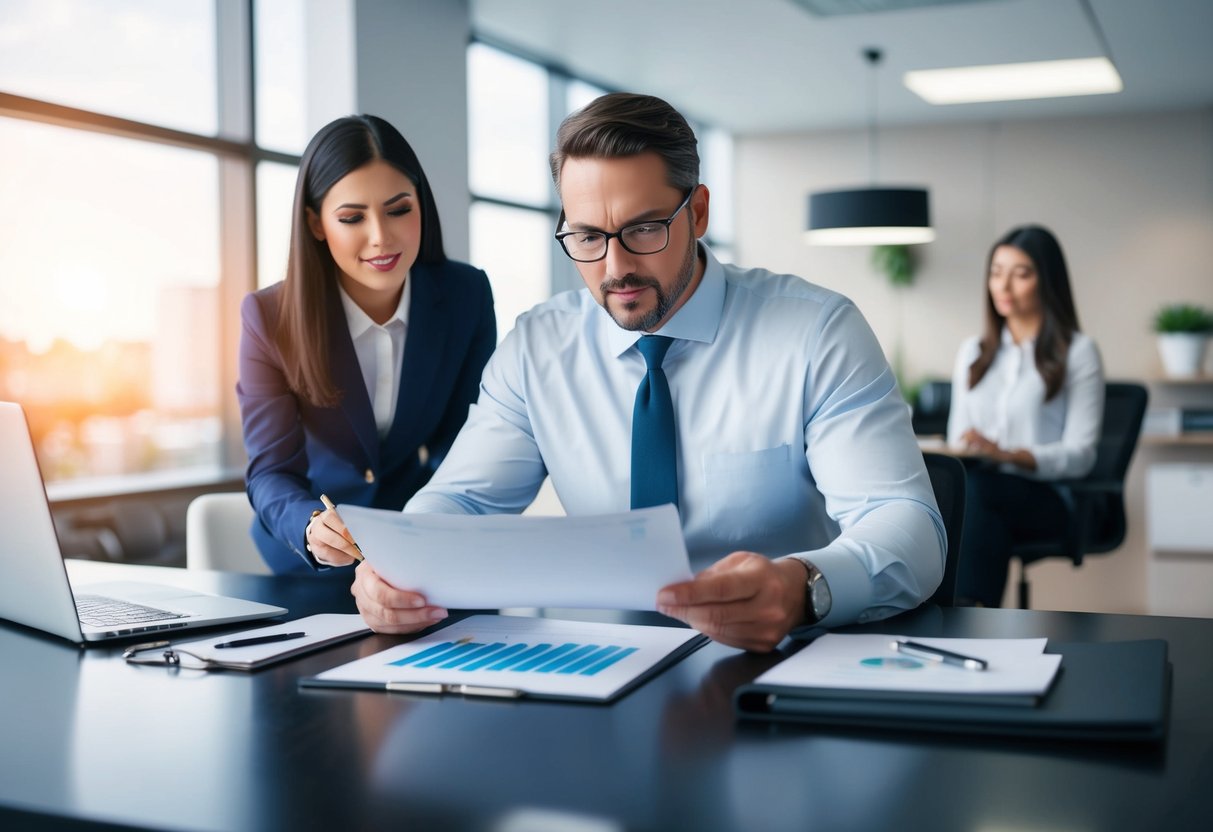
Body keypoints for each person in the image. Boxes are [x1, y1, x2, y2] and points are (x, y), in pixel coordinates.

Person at [339, 93, 944, 652]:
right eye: (586, 236)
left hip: (781, 657)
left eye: (644, 228)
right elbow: (461, 499)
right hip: (608, 658)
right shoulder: (537, 348)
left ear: (698, 211)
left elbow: (906, 526)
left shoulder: (815, 332)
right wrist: (397, 567)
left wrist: (803, 586)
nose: (615, 265)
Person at [237, 115, 496, 574]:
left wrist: (434, 531)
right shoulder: (270, 318)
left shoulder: (465, 296)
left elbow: (465, 443)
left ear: (422, 204)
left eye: (399, 209)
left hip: (423, 549)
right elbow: (271, 471)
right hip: (310, 566)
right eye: (352, 217)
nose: (381, 236)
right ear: (316, 224)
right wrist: (311, 527)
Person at [947, 224, 1104, 606]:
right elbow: (957, 437)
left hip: (1047, 497)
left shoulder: (1078, 352)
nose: (1004, 286)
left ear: (1046, 281)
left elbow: (1082, 455)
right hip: (982, 491)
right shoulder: (973, 352)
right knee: (951, 492)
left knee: (978, 496)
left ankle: (970, 614)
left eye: (1021, 274)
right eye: (996, 272)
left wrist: (1008, 454)